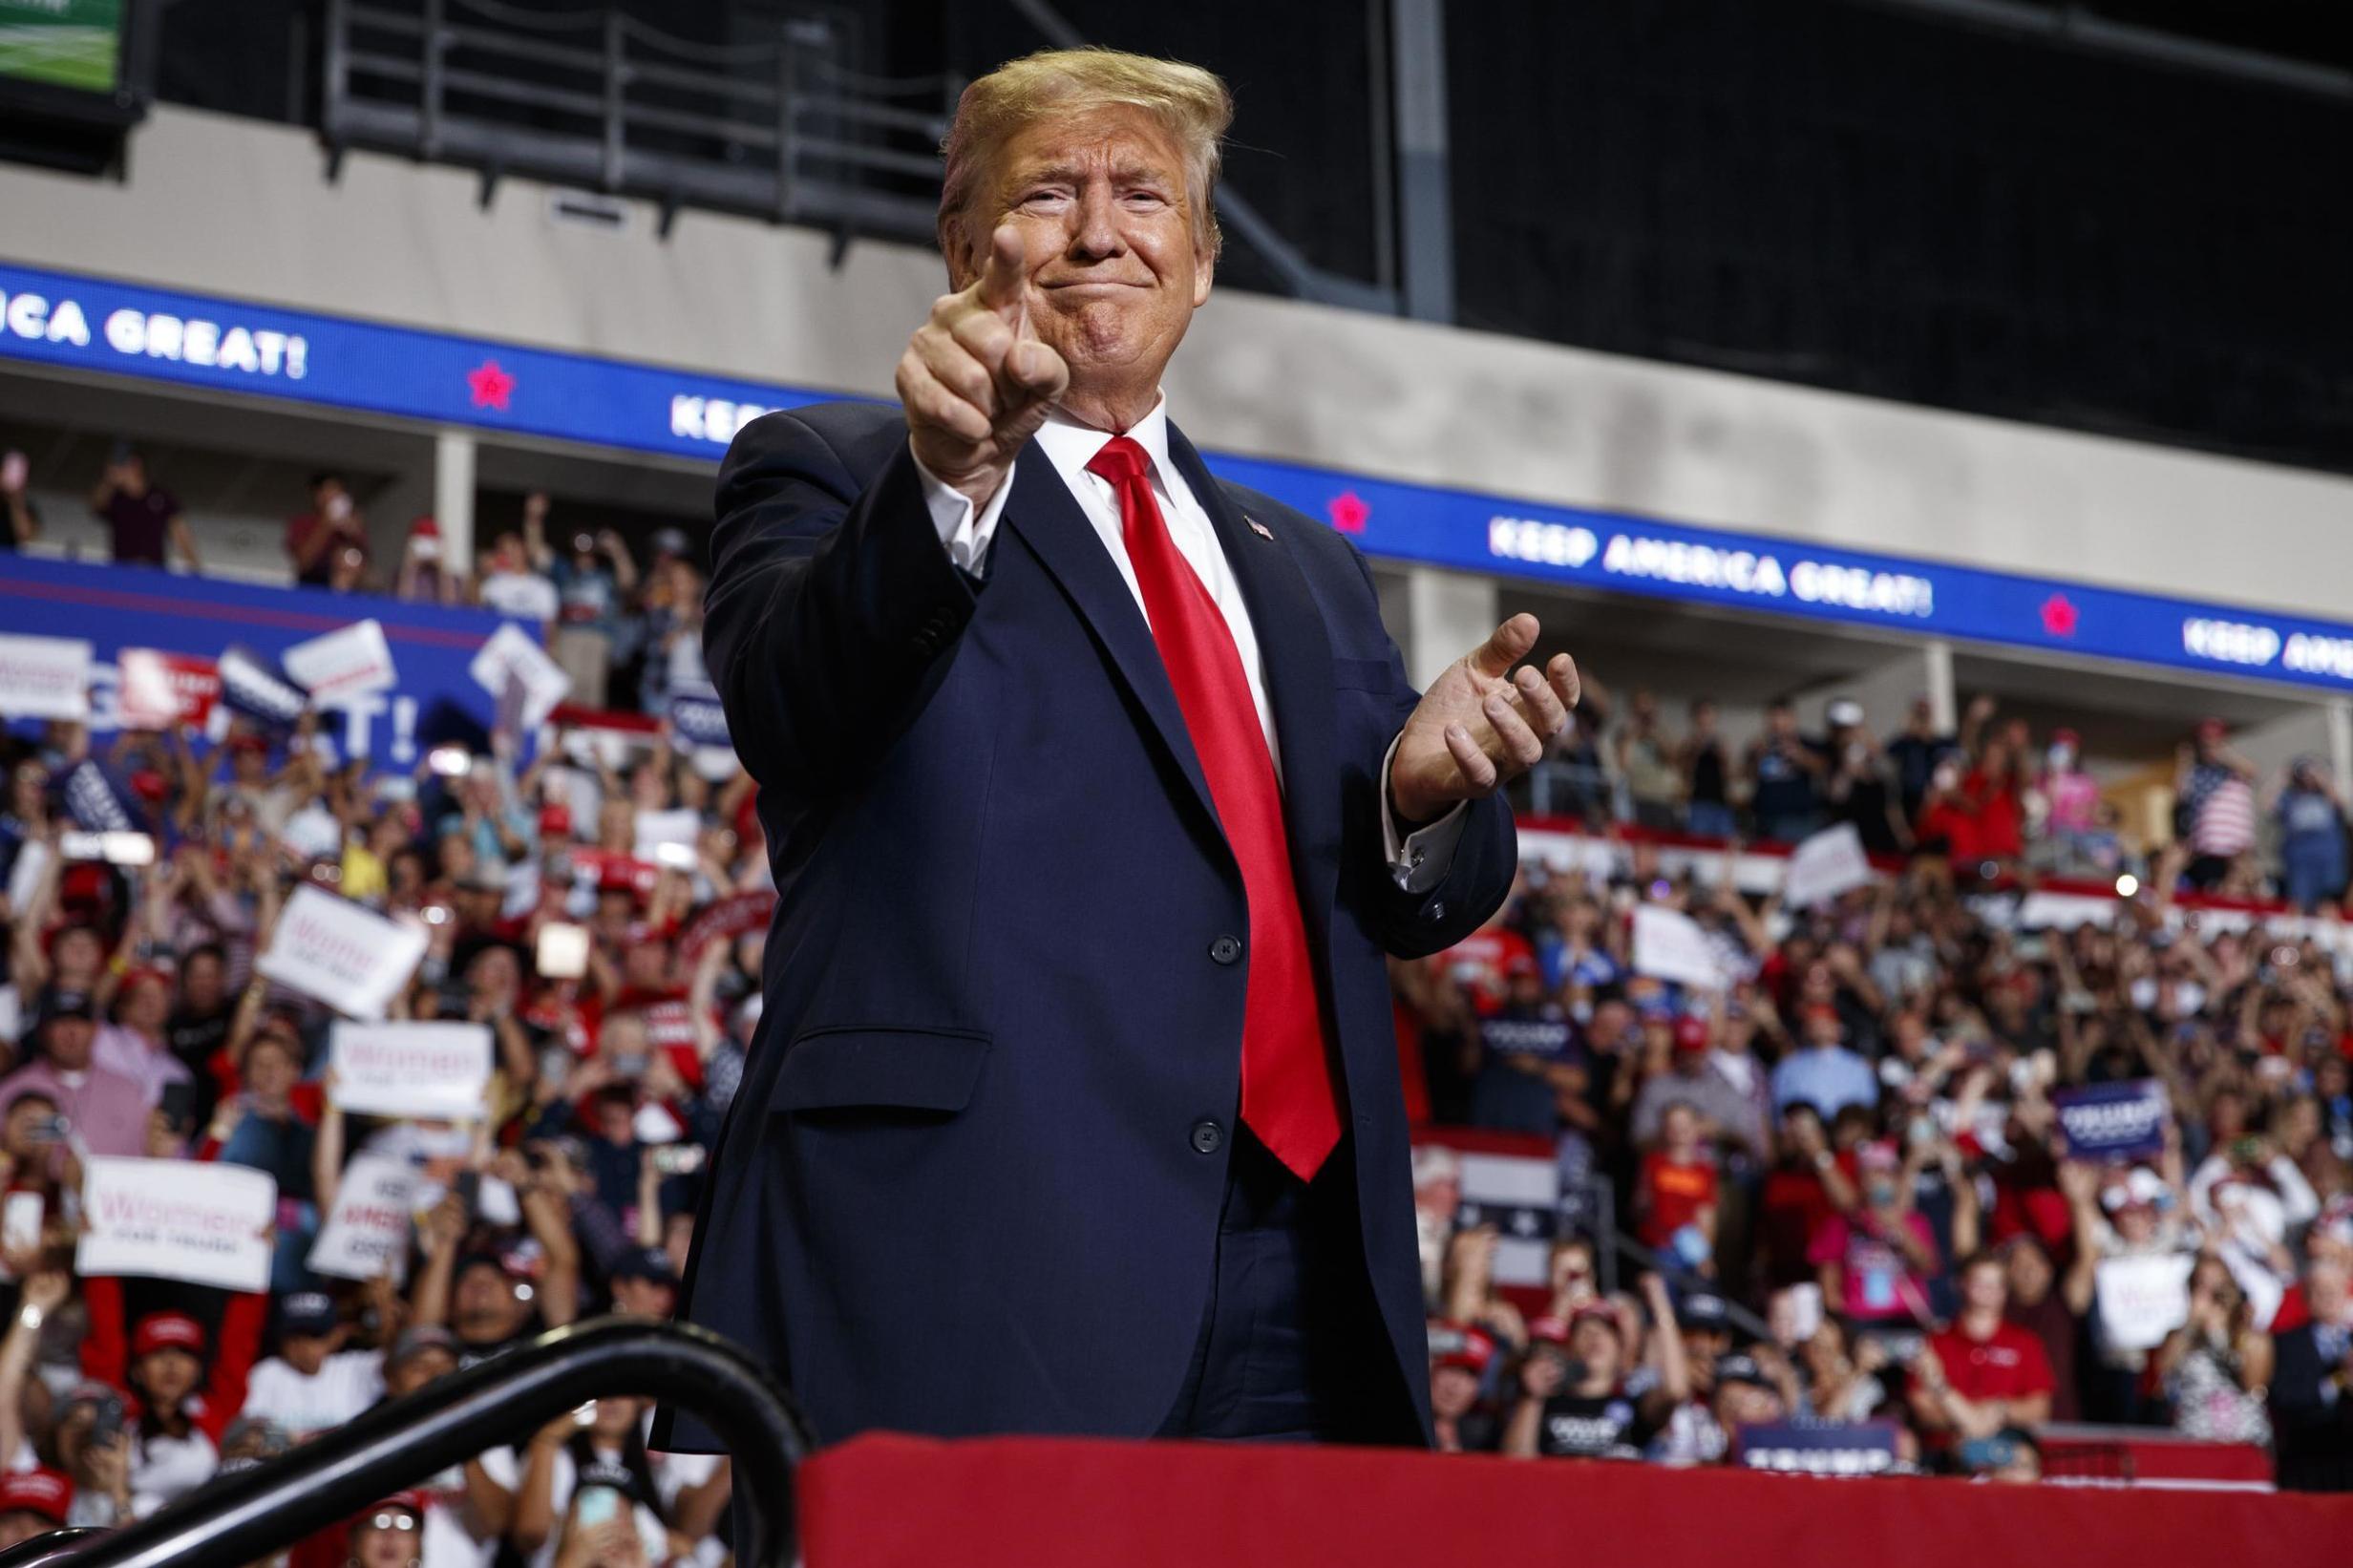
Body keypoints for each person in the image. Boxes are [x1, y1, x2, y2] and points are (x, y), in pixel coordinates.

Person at [674, 45, 1579, 1453]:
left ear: (1204, 260)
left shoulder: (1308, 566)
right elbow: (792, 709)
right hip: (977, 1255)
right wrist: (947, 483)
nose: (1101, 229)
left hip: (1306, 1272)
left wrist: (1414, 799)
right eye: (1050, 191)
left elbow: (1421, 903)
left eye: (1144, 195)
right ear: (967, 246)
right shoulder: (838, 468)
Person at [1911, 1251, 2055, 1452]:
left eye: (1996, 1284)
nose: (1988, 1291)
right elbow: (1922, 1406)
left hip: (2007, 1447)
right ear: (1961, 1284)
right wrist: (1969, 1418)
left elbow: (2040, 1408)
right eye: (1979, 1283)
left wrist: (2001, 1409)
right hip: (1945, 1449)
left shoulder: (2025, 1343)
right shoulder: (1935, 1343)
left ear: (2006, 1290)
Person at [2270, 1255, 2353, 1491]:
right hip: (2306, 1463)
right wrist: (2339, 1380)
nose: (2328, 1296)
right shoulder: (2287, 1343)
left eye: (2334, 1289)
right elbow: (2284, 1397)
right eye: (2320, 1290)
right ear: (2306, 1296)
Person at [88, 447, 201, 571]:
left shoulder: (161, 496)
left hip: (154, 570)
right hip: (122, 569)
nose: (120, 470)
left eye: (124, 465)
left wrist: (194, 567)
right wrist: (109, 481)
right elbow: (96, 506)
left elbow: (180, 533)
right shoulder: (115, 498)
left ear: (137, 465)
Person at [1745, 700, 1824, 844]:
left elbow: (1821, 769)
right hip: (1764, 817)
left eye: (1782, 718)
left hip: (1796, 818)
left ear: (1792, 719)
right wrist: (1757, 756)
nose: (1777, 724)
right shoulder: (1759, 745)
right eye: (1773, 718)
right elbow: (1748, 775)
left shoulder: (1807, 742)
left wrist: (1799, 754)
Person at [2276, 757, 2348, 913]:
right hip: (2299, 861)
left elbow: (2341, 804)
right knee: (2298, 902)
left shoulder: (2325, 796)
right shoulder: (2290, 797)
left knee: (2328, 903)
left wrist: (2323, 779)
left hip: (2327, 859)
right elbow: (2267, 805)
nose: (2308, 777)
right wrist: (2282, 778)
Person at [286, 471, 370, 588]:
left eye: (337, 492)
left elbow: (364, 563)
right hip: (311, 586)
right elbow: (304, 562)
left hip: (346, 590)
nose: (332, 498)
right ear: (317, 496)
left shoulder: (352, 523)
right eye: (327, 492)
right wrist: (326, 525)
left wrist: (354, 533)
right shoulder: (303, 523)